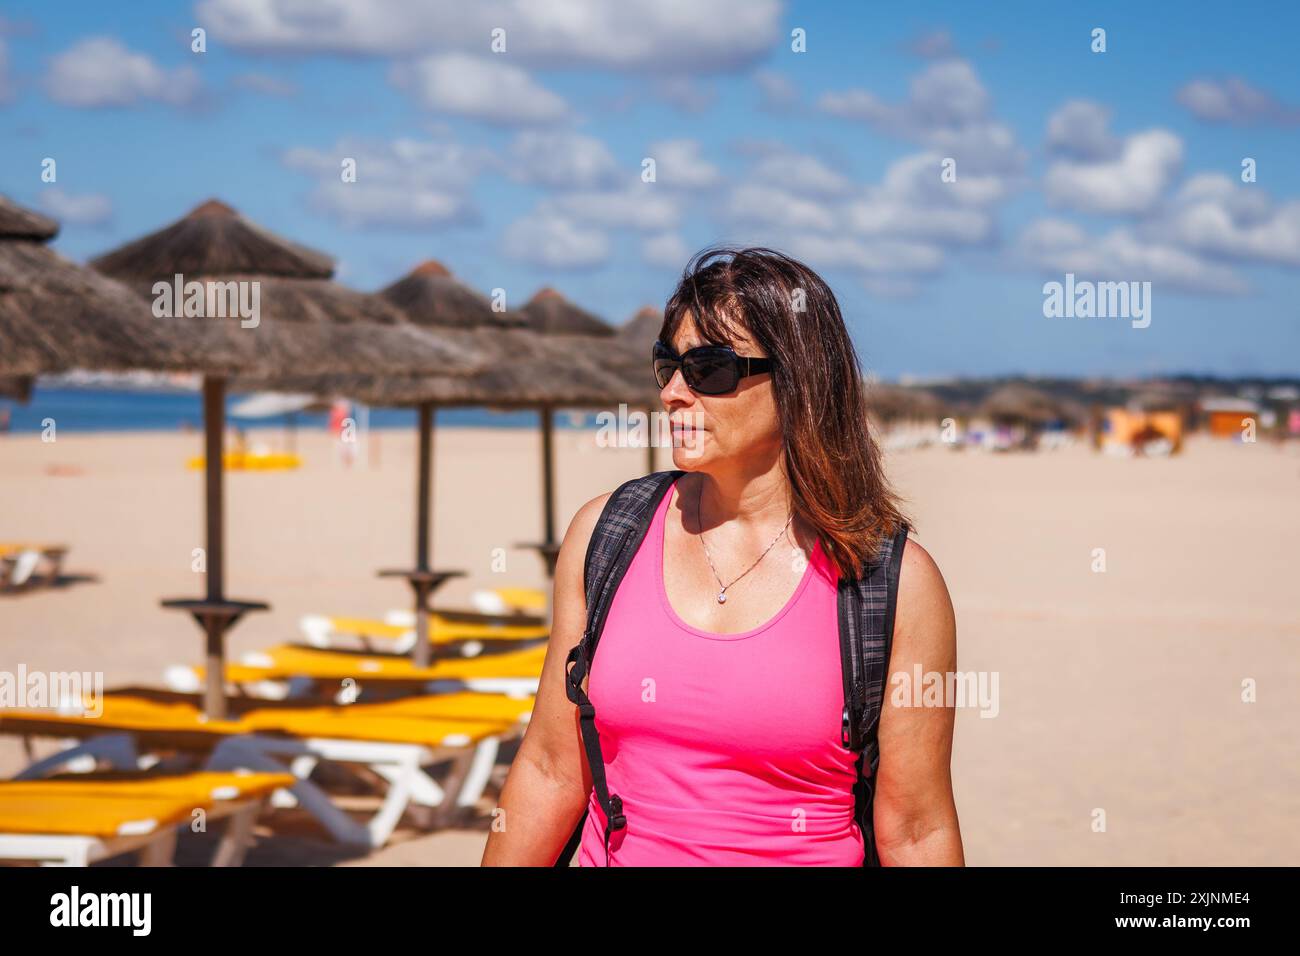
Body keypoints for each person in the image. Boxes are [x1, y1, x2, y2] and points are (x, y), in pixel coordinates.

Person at [482, 246, 962, 866]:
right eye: (667, 365)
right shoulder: (607, 534)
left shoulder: (892, 584)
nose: (673, 393)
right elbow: (550, 769)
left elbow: (917, 830)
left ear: (800, 381)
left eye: (709, 369)